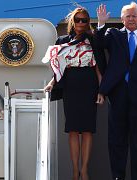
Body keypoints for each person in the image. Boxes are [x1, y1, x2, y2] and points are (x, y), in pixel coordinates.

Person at [96, 2, 137, 180]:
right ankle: (118, 176)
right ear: (122, 19)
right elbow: (99, 43)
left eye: (134, 16)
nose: (131, 19)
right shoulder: (114, 34)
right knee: (117, 140)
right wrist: (101, 24)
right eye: (128, 16)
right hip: (118, 95)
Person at [44, 6, 106, 180]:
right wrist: (51, 83)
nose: (80, 23)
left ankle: (84, 170)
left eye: (84, 20)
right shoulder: (62, 40)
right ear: (73, 21)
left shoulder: (93, 40)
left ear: (88, 23)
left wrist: (102, 91)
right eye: (77, 19)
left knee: (87, 130)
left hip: (89, 85)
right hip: (70, 86)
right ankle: (74, 170)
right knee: (72, 130)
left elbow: (98, 67)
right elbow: (58, 68)